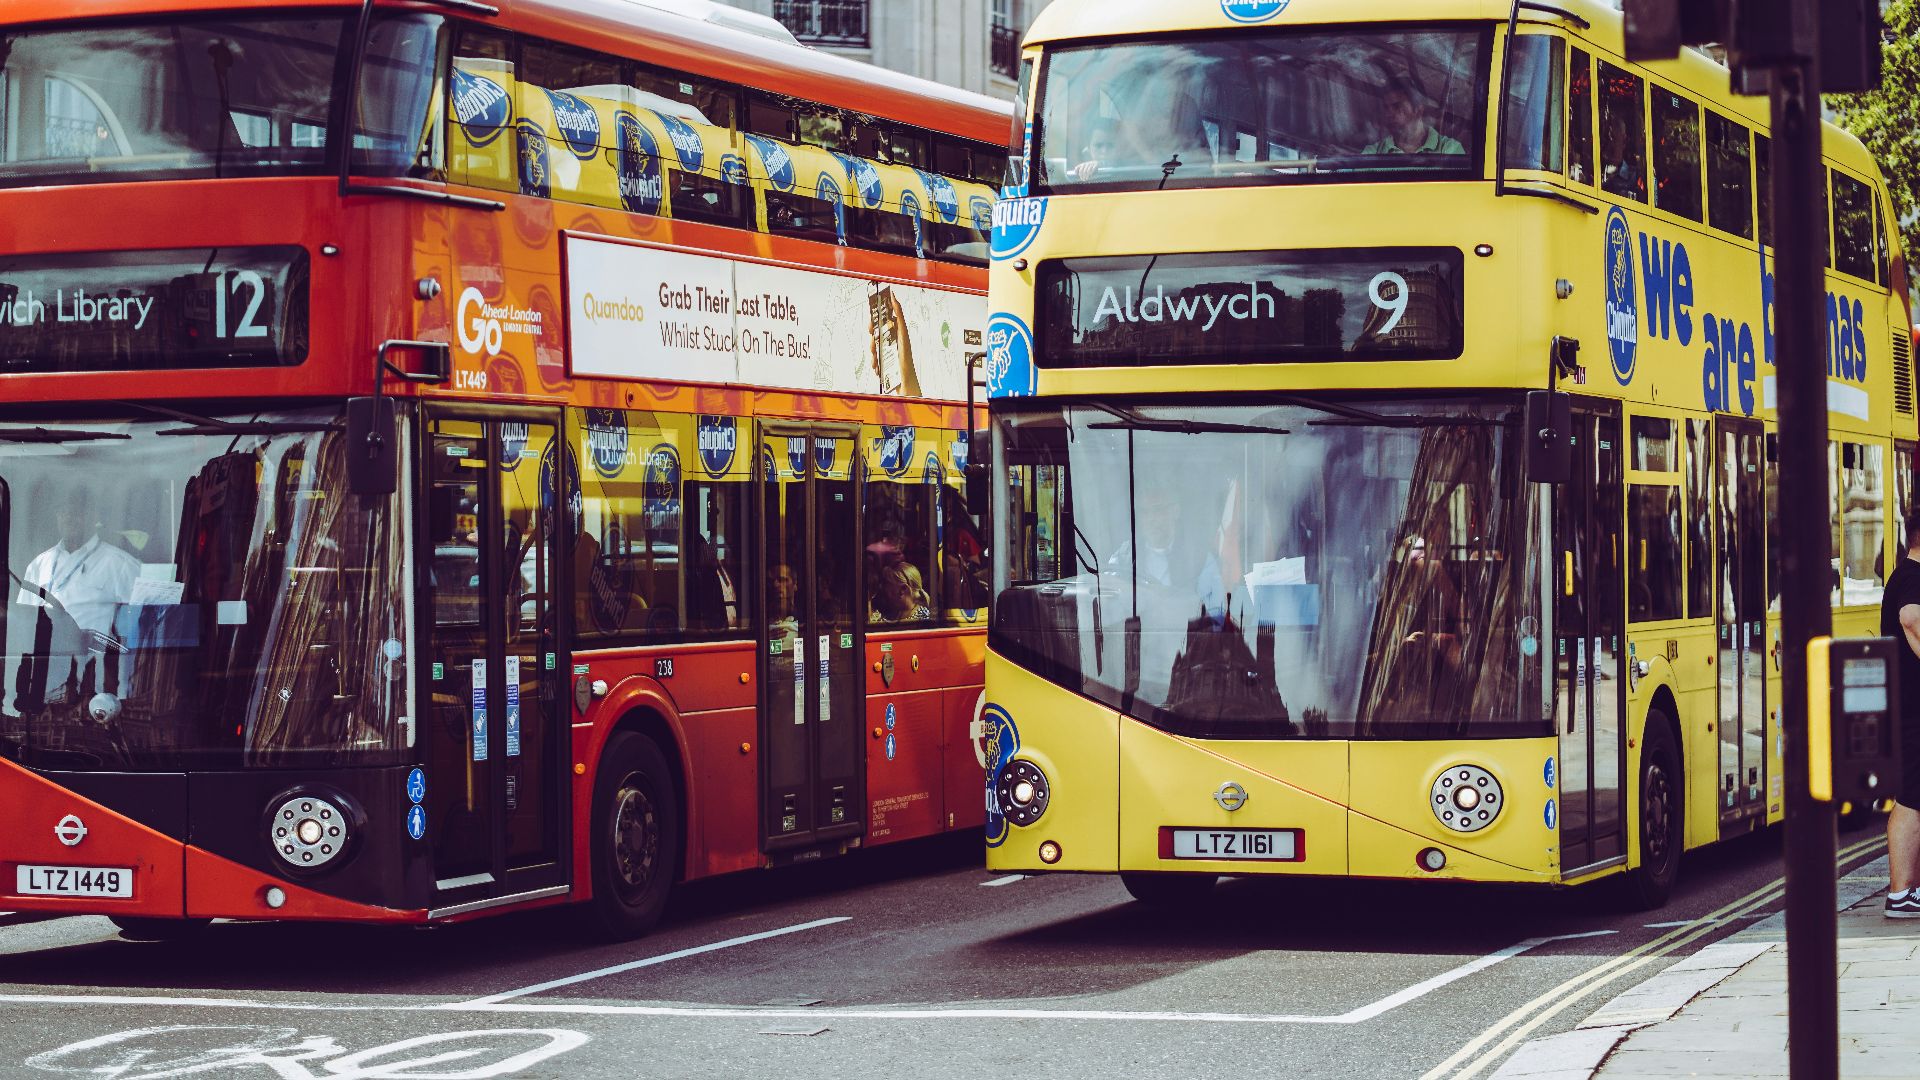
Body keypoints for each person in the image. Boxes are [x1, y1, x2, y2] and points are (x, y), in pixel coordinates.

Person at [1876, 513, 1920, 918]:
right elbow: (1911, 618)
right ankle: (1900, 892)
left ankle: (1910, 889)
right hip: (1912, 711)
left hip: (1910, 708)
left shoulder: (1906, 575)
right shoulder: (1911, 578)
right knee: (1911, 795)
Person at [1363, 78, 1465, 156]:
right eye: (1386, 108)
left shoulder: (1450, 151)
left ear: (1418, 110)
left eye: (1397, 106)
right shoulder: (1373, 152)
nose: (1389, 114)